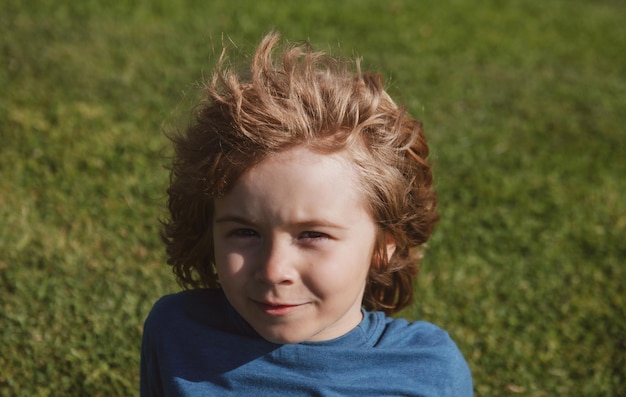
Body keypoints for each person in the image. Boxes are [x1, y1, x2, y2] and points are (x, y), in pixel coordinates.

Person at [140, 31, 473, 396]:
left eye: (312, 235)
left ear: (382, 247)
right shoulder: (178, 334)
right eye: (245, 233)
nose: (273, 270)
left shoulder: (427, 372)